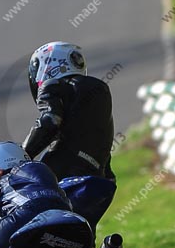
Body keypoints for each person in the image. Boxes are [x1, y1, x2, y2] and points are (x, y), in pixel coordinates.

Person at [23, 42, 116, 184]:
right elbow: (99, 134)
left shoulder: (52, 86)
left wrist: (22, 154)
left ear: (45, 65)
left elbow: (51, 120)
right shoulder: (100, 89)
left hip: (63, 173)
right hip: (98, 179)